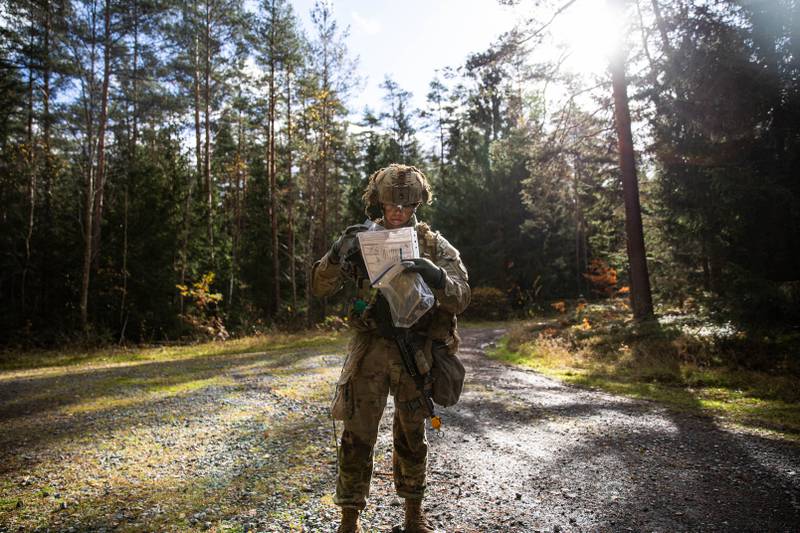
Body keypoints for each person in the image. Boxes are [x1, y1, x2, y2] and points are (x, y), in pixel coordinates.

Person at [312, 164, 470, 533]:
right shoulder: (360, 239)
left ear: (418, 204)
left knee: (412, 435)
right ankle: (348, 521)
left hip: (414, 352)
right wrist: (336, 254)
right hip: (370, 349)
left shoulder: (434, 245)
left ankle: (414, 517)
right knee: (357, 434)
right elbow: (320, 287)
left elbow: (461, 297)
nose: (398, 212)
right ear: (378, 203)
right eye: (391, 205)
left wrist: (436, 275)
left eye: (407, 205)